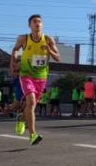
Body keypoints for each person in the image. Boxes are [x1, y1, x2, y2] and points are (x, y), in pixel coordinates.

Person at [10, 14, 60, 144]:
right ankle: (33, 135)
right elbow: (15, 50)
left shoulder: (48, 39)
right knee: (31, 101)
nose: (37, 24)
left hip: (41, 77)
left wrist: (49, 50)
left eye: (39, 22)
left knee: (31, 106)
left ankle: (21, 119)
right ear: (29, 25)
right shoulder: (23, 38)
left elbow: (58, 57)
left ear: (42, 25)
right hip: (26, 75)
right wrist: (13, 63)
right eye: (34, 21)